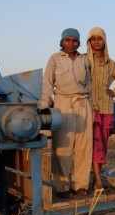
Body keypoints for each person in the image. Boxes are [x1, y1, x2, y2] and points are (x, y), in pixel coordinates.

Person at [38, 28, 93, 198]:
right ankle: (61, 186)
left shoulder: (84, 60)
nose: (71, 43)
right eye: (67, 40)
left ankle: (80, 186)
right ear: (62, 41)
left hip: (83, 103)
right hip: (63, 102)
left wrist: (92, 106)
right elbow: (47, 83)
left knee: (84, 147)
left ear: (78, 42)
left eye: (74, 40)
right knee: (63, 147)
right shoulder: (55, 58)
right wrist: (44, 105)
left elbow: (89, 85)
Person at [86, 27, 115, 190]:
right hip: (90, 108)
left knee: (102, 145)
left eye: (99, 38)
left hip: (107, 109)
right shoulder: (85, 61)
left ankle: (95, 176)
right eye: (93, 39)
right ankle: (97, 179)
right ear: (89, 41)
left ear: (104, 41)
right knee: (94, 144)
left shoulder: (111, 64)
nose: (96, 42)